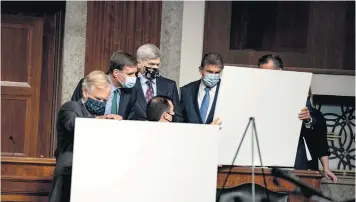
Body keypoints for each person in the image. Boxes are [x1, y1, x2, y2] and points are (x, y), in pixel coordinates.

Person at [258, 54, 337, 182]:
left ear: (280, 72)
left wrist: (326, 168)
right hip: (264, 159)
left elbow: (319, 139)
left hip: (296, 161)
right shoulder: (257, 94)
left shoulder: (296, 96)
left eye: (269, 72)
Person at [49, 71, 122, 202]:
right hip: (69, 172)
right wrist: (100, 120)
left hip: (92, 173)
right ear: (85, 92)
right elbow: (73, 125)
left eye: (104, 100)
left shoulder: (102, 115)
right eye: (98, 99)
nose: (101, 103)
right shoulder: (70, 107)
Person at [71, 51, 138, 120]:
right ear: (116, 73)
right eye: (130, 74)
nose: (134, 77)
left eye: (135, 74)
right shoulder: (90, 82)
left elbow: (132, 118)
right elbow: (74, 113)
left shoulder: (132, 90)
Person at [131, 44, 183, 122]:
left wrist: (170, 118)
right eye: (151, 64)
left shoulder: (169, 85)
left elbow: (179, 117)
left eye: (157, 64)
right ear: (139, 63)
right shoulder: (130, 84)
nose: (155, 67)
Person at [180, 53, 223, 124]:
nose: (213, 76)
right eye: (210, 72)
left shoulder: (226, 91)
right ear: (201, 70)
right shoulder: (186, 91)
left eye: (217, 73)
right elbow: (180, 120)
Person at [146, 95, 221, 125]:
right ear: (166, 115)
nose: (174, 114)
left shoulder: (143, 135)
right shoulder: (171, 137)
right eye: (172, 111)